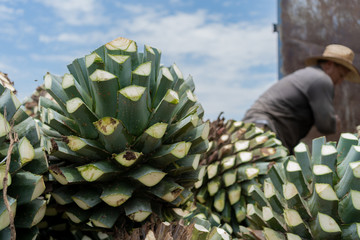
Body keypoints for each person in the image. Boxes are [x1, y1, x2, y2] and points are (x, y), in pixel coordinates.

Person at [242, 44, 360, 152]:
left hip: (253, 125)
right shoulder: (322, 80)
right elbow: (325, 125)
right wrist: (334, 122)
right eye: (340, 75)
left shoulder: (308, 75)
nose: (340, 82)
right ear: (329, 65)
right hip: (264, 128)